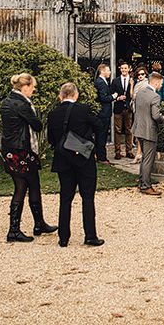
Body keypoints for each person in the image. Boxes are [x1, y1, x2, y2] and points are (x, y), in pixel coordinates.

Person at [0, 73, 57, 242]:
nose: (33, 90)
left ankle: (38, 223)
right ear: (25, 87)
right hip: (23, 149)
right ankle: (15, 229)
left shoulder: (7, 101)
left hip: (11, 148)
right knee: (24, 186)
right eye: (32, 87)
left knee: (30, 184)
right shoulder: (22, 104)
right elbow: (37, 125)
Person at [47, 82, 103, 247]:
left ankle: (63, 237)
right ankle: (90, 235)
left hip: (63, 158)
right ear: (76, 95)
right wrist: (89, 141)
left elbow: (51, 139)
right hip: (83, 158)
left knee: (65, 198)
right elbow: (99, 125)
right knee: (87, 197)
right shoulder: (83, 110)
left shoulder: (53, 114)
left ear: (61, 96)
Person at [133, 72, 164, 195]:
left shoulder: (140, 92)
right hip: (149, 130)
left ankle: (142, 181)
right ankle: (146, 185)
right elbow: (156, 115)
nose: (161, 86)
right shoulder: (155, 96)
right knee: (148, 159)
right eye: (161, 83)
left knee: (143, 156)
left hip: (138, 128)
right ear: (156, 82)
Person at [112, 60, 135, 160]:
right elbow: (111, 93)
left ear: (129, 69)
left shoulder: (133, 81)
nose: (124, 70)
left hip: (128, 108)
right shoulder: (115, 81)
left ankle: (129, 151)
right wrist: (117, 98)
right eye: (122, 68)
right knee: (117, 130)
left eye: (125, 68)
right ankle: (117, 152)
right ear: (119, 69)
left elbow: (133, 95)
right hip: (118, 108)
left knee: (129, 130)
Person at [94, 64, 115, 163]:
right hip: (103, 113)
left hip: (103, 113)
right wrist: (113, 96)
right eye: (108, 70)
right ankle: (101, 157)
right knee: (102, 135)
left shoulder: (102, 81)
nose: (110, 72)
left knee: (100, 135)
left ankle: (98, 155)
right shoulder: (101, 83)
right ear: (103, 71)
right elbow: (103, 98)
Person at [131, 66, 148, 163]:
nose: (140, 76)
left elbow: (133, 96)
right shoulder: (138, 84)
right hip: (137, 110)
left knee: (140, 132)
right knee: (138, 132)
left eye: (142, 74)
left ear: (145, 74)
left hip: (142, 110)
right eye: (139, 74)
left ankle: (139, 154)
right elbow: (132, 96)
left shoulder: (145, 84)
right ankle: (139, 153)